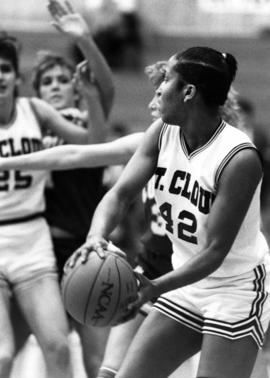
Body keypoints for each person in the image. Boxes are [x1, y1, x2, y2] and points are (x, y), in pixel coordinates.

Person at [0, 58, 247, 378]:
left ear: (188, 98)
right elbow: (73, 156)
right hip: (153, 269)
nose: (153, 102)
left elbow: (223, 244)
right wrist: (6, 163)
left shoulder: (228, 157)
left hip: (214, 279)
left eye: (162, 92)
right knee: (108, 371)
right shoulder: (151, 143)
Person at [63, 46, 270, 378]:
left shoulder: (238, 158)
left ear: (188, 92)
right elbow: (120, 194)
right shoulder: (162, 132)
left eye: (167, 78)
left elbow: (215, 252)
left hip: (235, 288)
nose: (158, 87)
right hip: (185, 283)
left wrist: (156, 287)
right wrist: (94, 237)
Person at [0, 0, 107, 374]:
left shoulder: (36, 112)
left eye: (5, 69)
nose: (0, 77)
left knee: (63, 348)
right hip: (10, 237)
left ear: (16, 76)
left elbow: (92, 143)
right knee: (2, 353)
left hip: (38, 241)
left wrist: (91, 94)